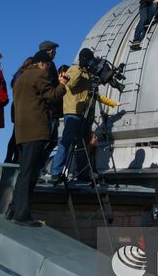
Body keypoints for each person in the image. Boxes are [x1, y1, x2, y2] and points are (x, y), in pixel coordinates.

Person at [9, 59, 68, 226]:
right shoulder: (39, 74)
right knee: (30, 173)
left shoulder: (21, 77)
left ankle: (14, 209)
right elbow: (52, 96)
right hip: (35, 130)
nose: (48, 70)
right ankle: (21, 215)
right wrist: (62, 84)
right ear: (42, 63)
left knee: (24, 172)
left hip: (22, 131)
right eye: (48, 66)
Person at [50, 49, 96, 184]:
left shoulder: (86, 73)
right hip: (72, 111)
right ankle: (56, 172)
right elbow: (71, 83)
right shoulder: (74, 69)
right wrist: (81, 68)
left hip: (83, 112)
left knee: (82, 144)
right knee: (66, 141)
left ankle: (82, 173)